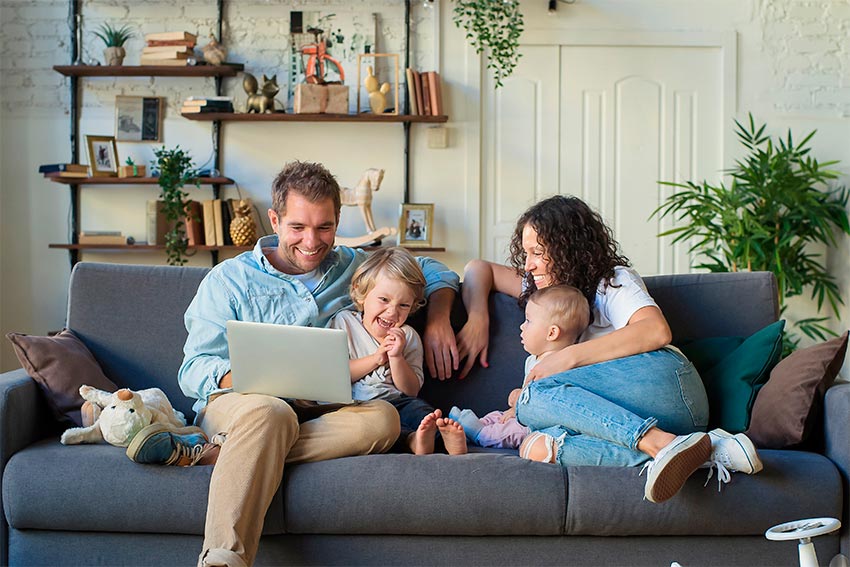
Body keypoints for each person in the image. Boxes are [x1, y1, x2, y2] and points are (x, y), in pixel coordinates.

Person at [126, 161, 461, 567]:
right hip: (244, 406)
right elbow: (194, 369)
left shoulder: (354, 266)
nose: (312, 241)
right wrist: (260, 380)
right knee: (271, 411)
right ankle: (221, 559)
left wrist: (441, 319)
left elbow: (432, 271)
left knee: (384, 420)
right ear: (275, 219)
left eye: (325, 227)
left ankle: (221, 454)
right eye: (298, 227)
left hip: (323, 411)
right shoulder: (228, 279)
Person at [456, 195, 762, 503]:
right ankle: (704, 450)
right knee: (537, 444)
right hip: (655, 418)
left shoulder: (611, 281)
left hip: (669, 387)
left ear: (567, 250)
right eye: (526, 253)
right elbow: (479, 269)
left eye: (537, 252)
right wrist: (477, 319)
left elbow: (656, 330)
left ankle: (656, 442)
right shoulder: (544, 291)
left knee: (531, 397)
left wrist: (565, 359)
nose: (529, 264)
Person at [329, 247, 467, 455]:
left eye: (403, 305)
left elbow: (410, 389)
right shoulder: (344, 323)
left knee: (421, 412)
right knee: (375, 425)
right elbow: (337, 375)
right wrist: (376, 358)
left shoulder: (408, 336)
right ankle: (412, 441)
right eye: (384, 300)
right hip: (354, 405)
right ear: (361, 292)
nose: (392, 312)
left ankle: (441, 441)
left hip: (396, 401)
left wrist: (396, 357)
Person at [450, 284, 589, 450]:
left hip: (538, 426)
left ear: (551, 333)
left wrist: (518, 401)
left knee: (512, 431)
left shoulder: (560, 366)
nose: (522, 326)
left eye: (528, 321)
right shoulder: (533, 359)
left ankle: (481, 434)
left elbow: (545, 405)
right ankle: (475, 424)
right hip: (522, 414)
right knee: (498, 415)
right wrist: (515, 406)